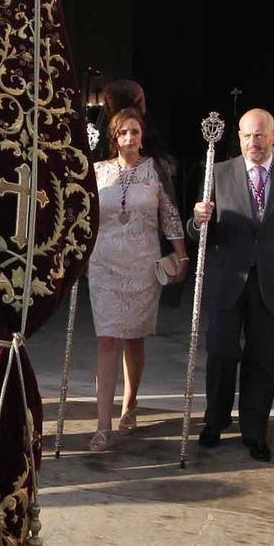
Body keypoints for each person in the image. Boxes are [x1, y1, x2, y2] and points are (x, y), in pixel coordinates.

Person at [190, 108, 274, 462]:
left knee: (261, 359)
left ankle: (255, 431)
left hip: (271, 283)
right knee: (221, 353)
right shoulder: (219, 172)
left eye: (259, 135)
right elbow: (202, 230)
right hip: (227, 281)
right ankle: (214, 422)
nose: (253, 142)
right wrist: (198, 221)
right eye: (246, 136)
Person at [87, 97, 188, 448]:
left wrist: (181, 256)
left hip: (143, 263)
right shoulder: (96, 171)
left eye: (135, 131)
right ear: (114, 138)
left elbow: (170, 215)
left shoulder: (157, 170)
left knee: (133, 337)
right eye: (123, 133)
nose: (129, 137)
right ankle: (102, 424)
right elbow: (82, 216)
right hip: (103, 263)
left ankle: (129, 405)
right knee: (107, 339)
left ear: (142, 136)